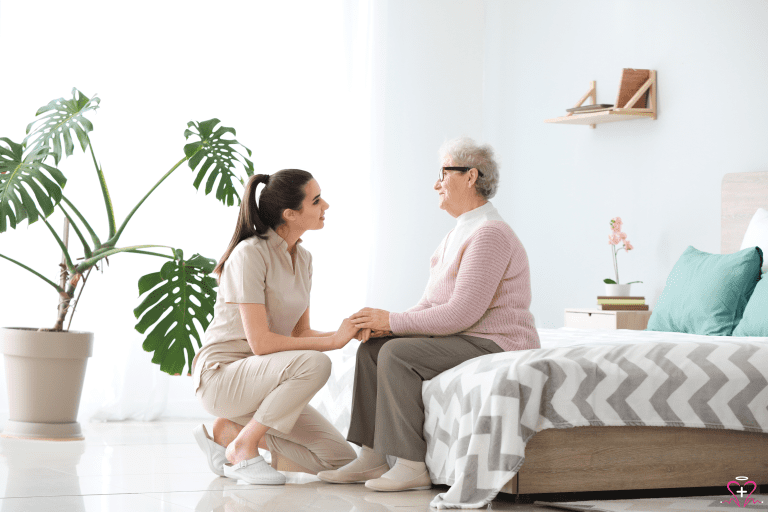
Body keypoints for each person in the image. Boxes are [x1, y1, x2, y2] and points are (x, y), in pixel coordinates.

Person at [316, 137, 540, 492]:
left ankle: (410, 464)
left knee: (397, 355)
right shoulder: (458, 233)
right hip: (467, 336)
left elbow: (460, 314)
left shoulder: (489, 235)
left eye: (443, 173)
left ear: (471, 176)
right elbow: (431, 305)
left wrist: (391, 322)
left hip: (497, 342)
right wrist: (386, 326)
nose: (436, 183)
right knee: (374, 349)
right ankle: (372, 458)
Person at [191, 169, 358, 485]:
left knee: (342, 463)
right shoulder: (250, 254)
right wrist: (333, 342)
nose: (327, 206)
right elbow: (262, 345)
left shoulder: (304, 258)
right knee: (316, 363)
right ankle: (244, 446)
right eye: (317, 200)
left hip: (264, 381)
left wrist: (348, 331)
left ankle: (230, 434)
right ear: (290, 214)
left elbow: (299, 334)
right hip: (223, 377)